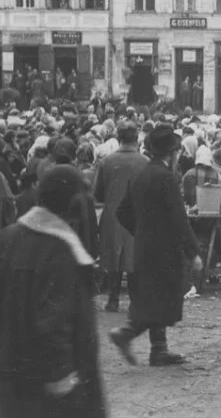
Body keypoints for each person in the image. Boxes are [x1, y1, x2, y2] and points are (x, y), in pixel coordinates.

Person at [0, 165, 106, 418]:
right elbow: (53, 322)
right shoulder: (60, 251)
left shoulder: (8, 237)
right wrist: (62, 376)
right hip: (51, 385)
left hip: (10, 372)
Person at [109, 126, 202, 367]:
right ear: (171, 153)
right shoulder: (167, 178)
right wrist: (193, 252)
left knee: (154, 295)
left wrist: (140, 232)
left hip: (143, 247)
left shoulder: (140, 174)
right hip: (165, 250)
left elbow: (122, 211)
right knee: (163, 298)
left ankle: (158, 349)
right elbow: (179, 219)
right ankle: (127, 333)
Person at [93, 121, 149, 313]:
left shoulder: (106, 162)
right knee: (134, 258)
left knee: (113, 258)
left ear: (119, 138)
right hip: (138, 217)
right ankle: (135, 301)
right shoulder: (145, 163)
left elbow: (98, 193)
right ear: (136, 139)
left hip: (112, 215)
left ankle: (113, 299)